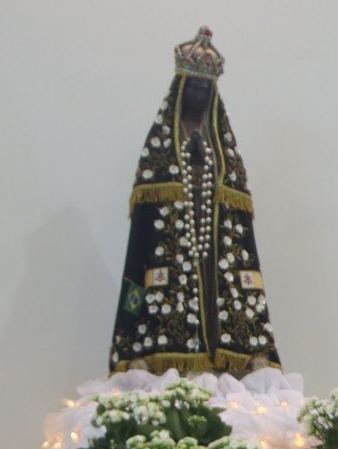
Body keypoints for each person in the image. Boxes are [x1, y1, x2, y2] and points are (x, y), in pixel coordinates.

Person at [111, 27, 280, 376]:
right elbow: (145, 220)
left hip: (216, 254)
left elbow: (239, 221)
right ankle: (144, 349)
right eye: (195, 87)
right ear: (182, 89)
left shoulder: (223, 149)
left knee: (223, 292)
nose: (201, 95)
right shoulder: (161, 147)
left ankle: (236, 352)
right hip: (173, 253)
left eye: (207, 89)